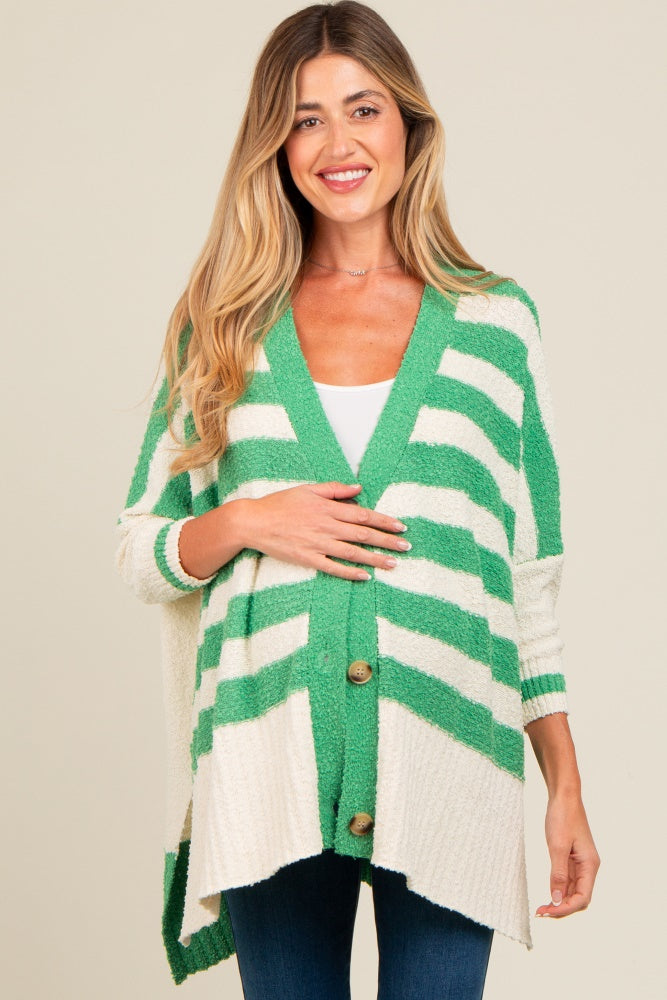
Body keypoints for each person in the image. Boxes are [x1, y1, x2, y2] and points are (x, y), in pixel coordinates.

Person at [116, 2, 600, 996]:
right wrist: (248, 520)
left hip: (450, 757)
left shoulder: (495, 324)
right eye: (305, 119)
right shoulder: (222, 324)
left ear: (408, 125)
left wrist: (564, 785)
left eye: (363, 109)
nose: (337, 143)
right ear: (275, 145)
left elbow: (526, 578)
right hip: (269, 762)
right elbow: (141, 550)